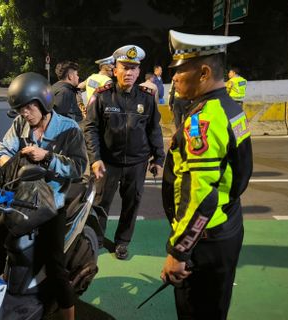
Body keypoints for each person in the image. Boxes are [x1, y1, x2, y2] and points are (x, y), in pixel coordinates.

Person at [160, 30, 253, 320]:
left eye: (179, 71)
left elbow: (202, 196)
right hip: (227, 224)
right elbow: (241, 172)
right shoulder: (230, 108)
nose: (173, 78)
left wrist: (179, 252)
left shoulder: (204, 119)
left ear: (203, 72)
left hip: (204, 240)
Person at [0, 72, 87, 320]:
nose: (24, 113)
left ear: (43, 102)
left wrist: (46, 157)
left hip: (51, 204)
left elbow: (78, 168)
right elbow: (3, 149)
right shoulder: (20, 124)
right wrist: (8, 163)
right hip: (21, 199)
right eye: (20, 109)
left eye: (28, 108)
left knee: (56, 267)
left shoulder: (68, 129)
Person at [83, 45, 165, 260]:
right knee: (100, 204)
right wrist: (95, 158)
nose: (129, 73)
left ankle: (122, 241)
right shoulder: (102, 97)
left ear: (138, 72)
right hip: (108, 163)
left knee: (132, 204)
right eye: (124, 68)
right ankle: (97, 239)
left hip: (137, 163)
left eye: (133, 68)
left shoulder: (147, 98)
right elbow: (90, 128)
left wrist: (158, 157)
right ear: (115, 69)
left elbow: (154, 129)